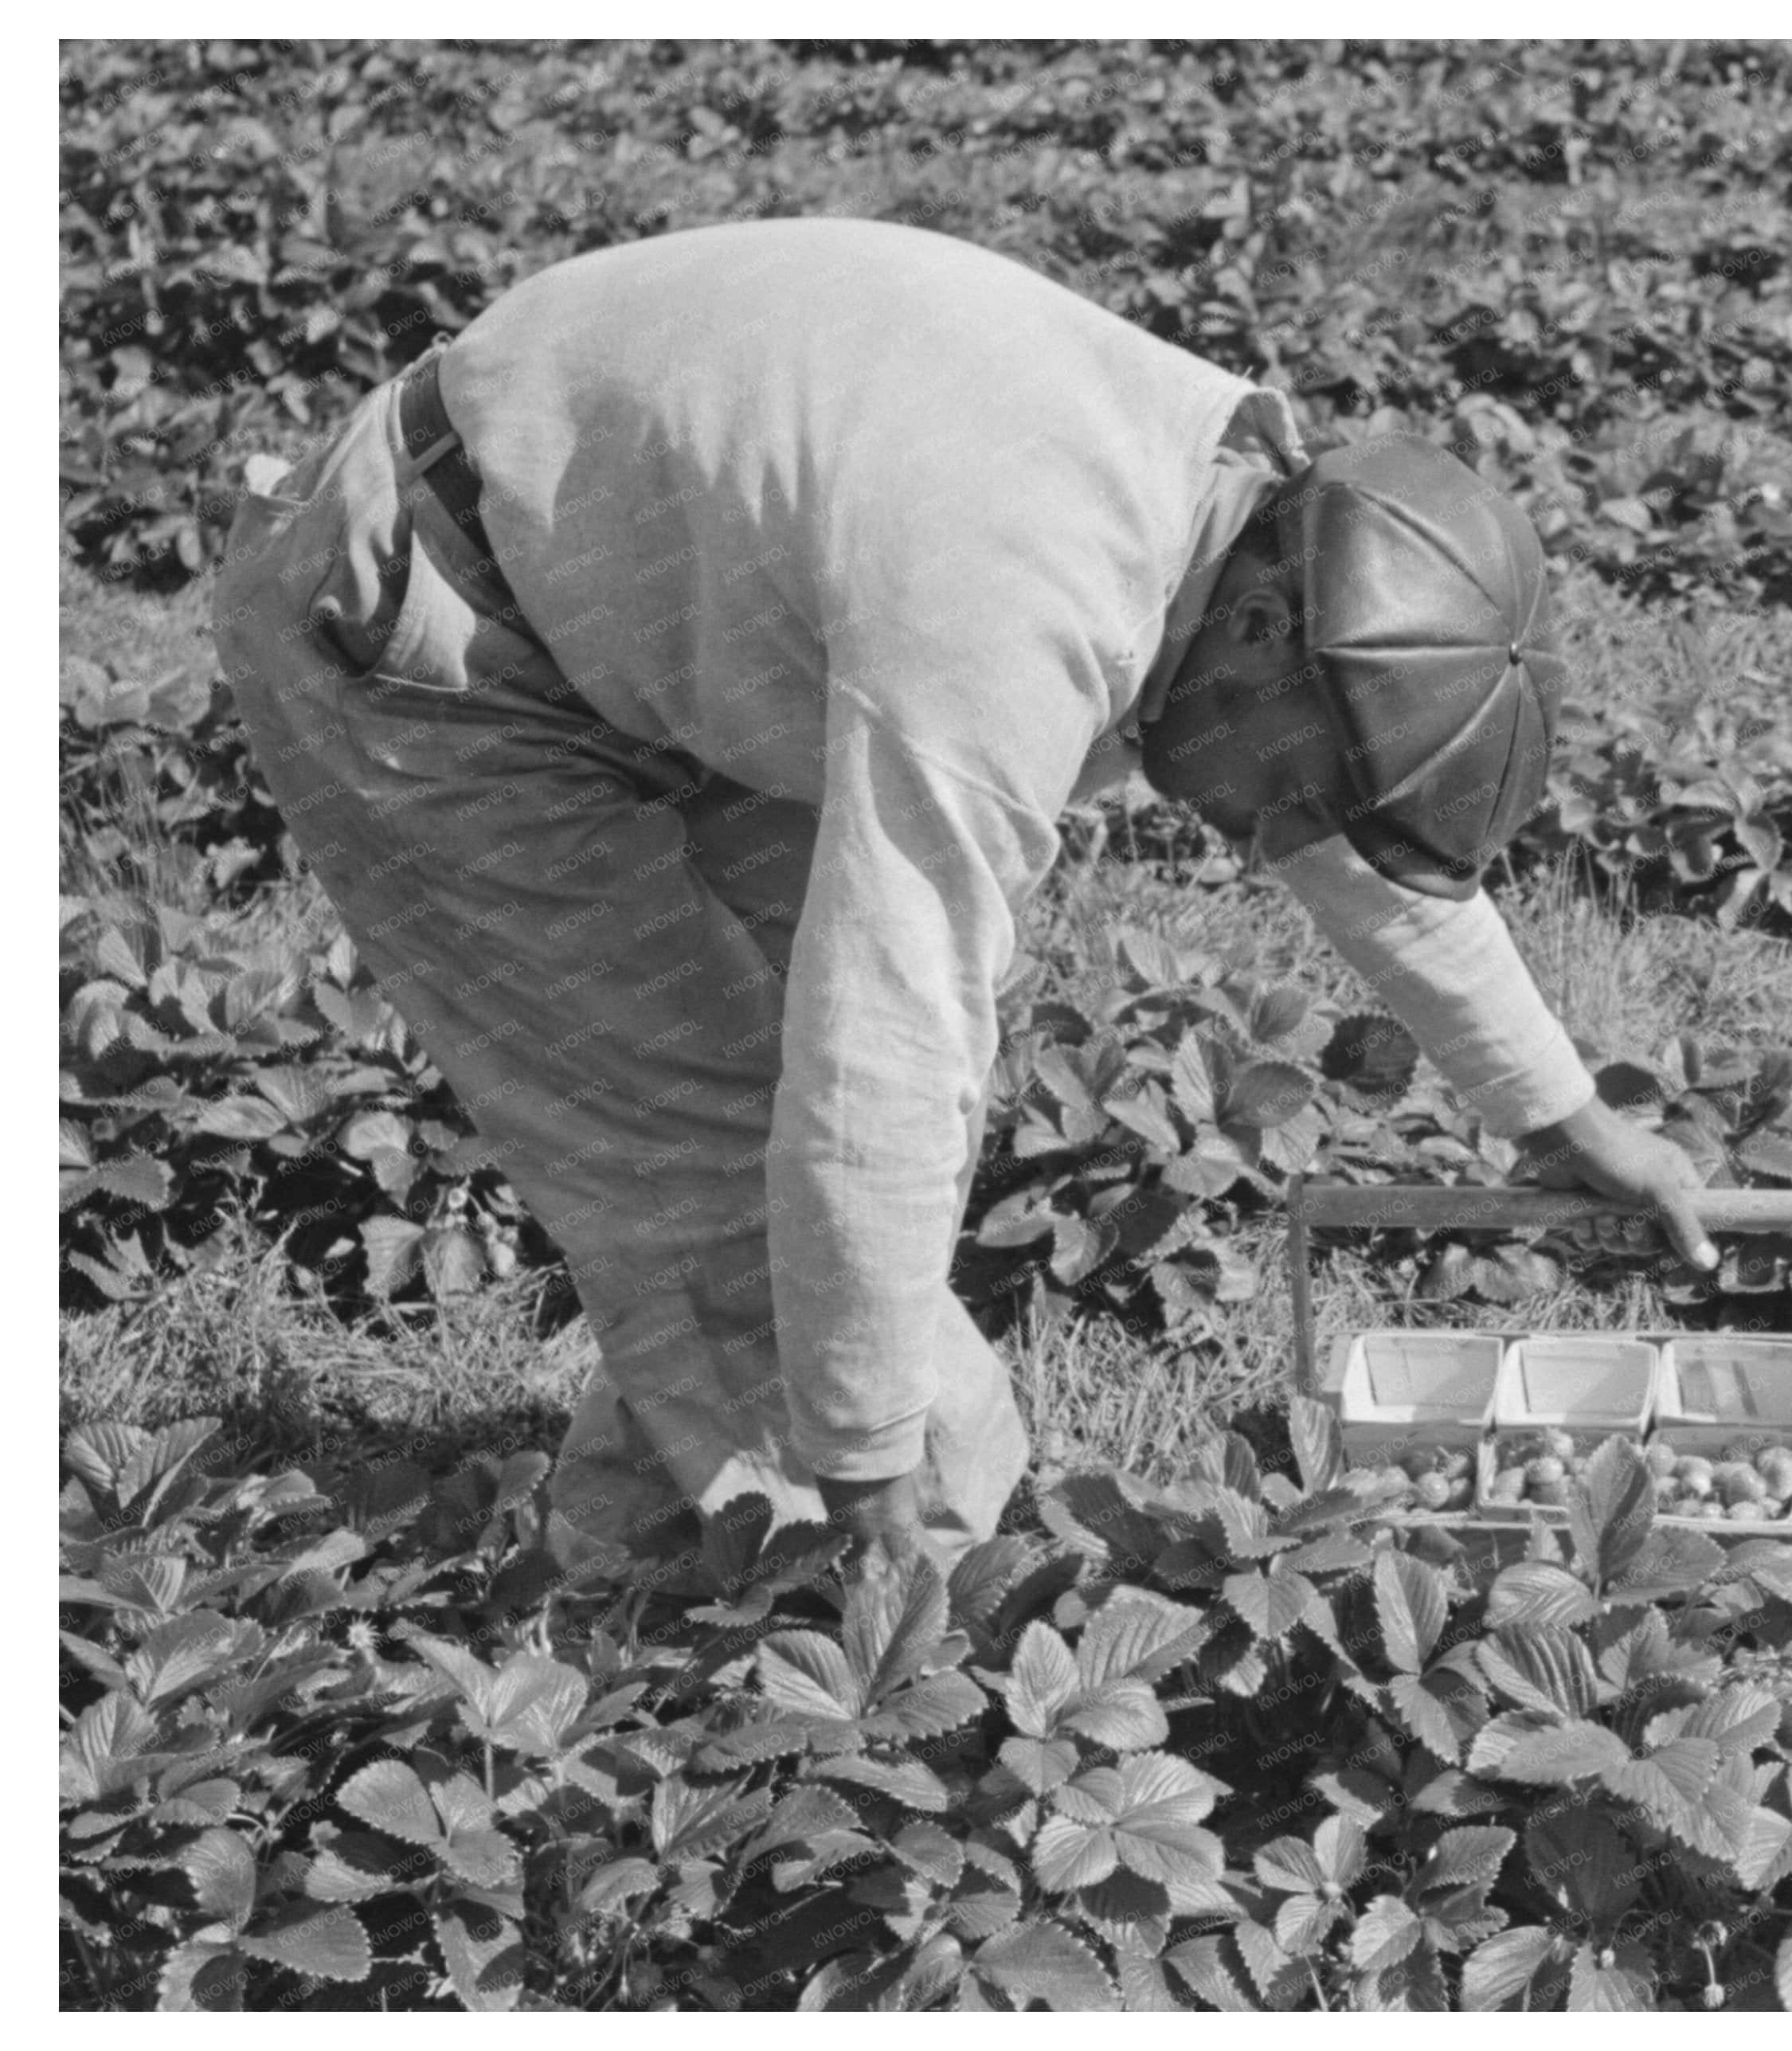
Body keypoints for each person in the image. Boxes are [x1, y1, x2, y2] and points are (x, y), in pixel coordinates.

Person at [209, 215, 1712, 1587]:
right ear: (1263, 626)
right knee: (725, 1155)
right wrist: (876, 1473)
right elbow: (888, 1051)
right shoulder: (1013, 613)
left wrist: (1558, 1115)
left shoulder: (1236, 519)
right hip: (431, 630)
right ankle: (808, 1631)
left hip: (673, 617)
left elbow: (1344, 821)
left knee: (787, 1209)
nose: (1278, 828)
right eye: (1294, 787)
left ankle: (667, 1554)